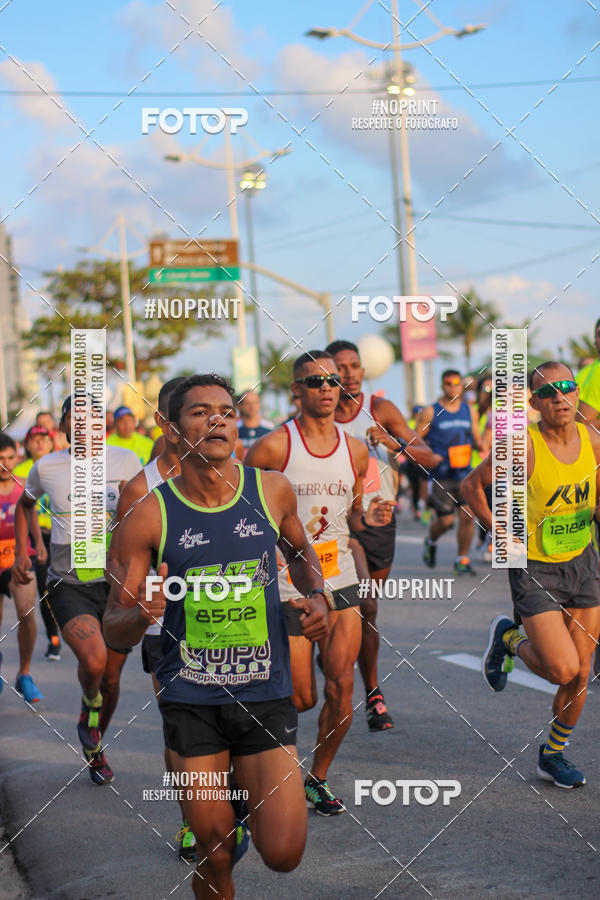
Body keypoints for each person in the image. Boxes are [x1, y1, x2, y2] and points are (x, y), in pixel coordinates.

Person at [103, 373, 329, 899]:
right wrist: (139, 615)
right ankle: (222, 824)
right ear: (170, 428)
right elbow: (116, 625)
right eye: (201, 412)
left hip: (263, 694)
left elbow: (300, 556)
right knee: (215, 850)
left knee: (284, 854)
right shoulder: (148, 508)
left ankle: (241, 804)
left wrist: (315, 596)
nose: (217, 420)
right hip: (191, 699)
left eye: (226, 411)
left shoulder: (270, 490)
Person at [246, 350, 394, 811]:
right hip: (288, 584)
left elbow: (353, 511)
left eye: (333, 381)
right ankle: (256, 758)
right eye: (315, 382)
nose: (328, 388)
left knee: (340, 688)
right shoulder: (272, 448)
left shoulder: (355, 450)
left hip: (338, 577)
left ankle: (318, 775)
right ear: (296, 390)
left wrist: (371, 516)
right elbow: (246, 515)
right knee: (301, 698)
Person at [462, 362, 600, 788]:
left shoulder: (594, 440)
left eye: (567, 388)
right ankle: (508, 636)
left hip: (582, 560)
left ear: (577, 395)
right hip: (535, 566)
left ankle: (552, 755)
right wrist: (496, 528)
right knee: (562, 669)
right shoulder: (522, 446)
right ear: (535, 403)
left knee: (582, 672)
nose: (560, 396)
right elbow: (471, 486)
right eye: (549, 391)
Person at [14, 396, 141, 784]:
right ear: (64, 425)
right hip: (68, 582)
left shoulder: (126, 462)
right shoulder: (46, 466)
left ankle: (96, 744)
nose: (84, 425)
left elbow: (151, 512)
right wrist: (24, 550)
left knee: (113, 679)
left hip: (118, 583)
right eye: (75, 418)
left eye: (92, 419)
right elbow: (25, 506)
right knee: (95, 662)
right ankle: (89, 704)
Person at [325, 339, 440, 731]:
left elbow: (429, 457)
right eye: (341, 367)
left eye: (355, 365)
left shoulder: (380, 410)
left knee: (367, 610)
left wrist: (392, 442)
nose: (351, 373)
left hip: (378, 522)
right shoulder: (318, 416)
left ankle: (371, 690)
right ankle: (339, 684)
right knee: (343, 608)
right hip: (334, 524)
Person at [109, 376, 196, 860]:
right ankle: (191, 823)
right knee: (181, 728)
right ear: (167, 423)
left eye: (214, 413)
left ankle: (231, 803)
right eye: (193, 414)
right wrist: (136, 602)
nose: (206, 423)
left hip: (235, 627)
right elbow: (116, 563)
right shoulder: (141, 488)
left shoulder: (233, 474)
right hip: (166, 631)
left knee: (234, 728)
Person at [416, 369, 482, 575]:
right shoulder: (431, 411)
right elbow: (415, 440)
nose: (452, 387)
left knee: (468, 515)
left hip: (465, 474)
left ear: (461, 386)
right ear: (442, 385)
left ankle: (462, 559)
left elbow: (478, 441)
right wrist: (429, 456)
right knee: (445, 521)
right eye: (448, 384)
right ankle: (431, 539)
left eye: (456, 383)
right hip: (441, 474)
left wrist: (488, 440)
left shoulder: (469, 411)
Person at [0, 434, 45, 703]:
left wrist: (39, 543)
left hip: (20, 559)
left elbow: (32, 516)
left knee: (26, 614)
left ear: (17, 457)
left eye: (9, 458)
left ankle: (24, 674)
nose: (4, 464)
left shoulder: (24, 485)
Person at [14, 424, 61, 660]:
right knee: (45, 587)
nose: (40, 442)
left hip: (63, 535)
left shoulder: (61, 465)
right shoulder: (20, 470)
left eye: (45, 438)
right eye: (35, 439)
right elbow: (23, 506)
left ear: (52, 443)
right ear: (27, 444)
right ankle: (53, 639)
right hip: (38, 536)